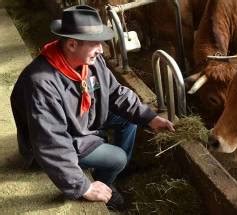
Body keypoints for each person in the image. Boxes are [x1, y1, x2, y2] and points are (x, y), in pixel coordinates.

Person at [10, 5, 175, 211]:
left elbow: (115, 92)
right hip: (63, 140)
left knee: (129, 121)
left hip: (81, 119)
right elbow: (50, 142)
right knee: (118, 158)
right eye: (95, 43)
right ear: (71, 44)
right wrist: (83, 187)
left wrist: (149, 117)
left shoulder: (90, 62)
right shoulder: (41, 83)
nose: (100, 48)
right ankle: (105, 187)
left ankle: (109, 175)